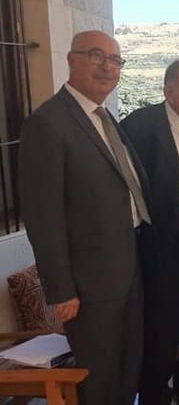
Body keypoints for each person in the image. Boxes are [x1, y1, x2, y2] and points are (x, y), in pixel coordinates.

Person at [20, 30, 151, 405]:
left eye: (115, 60)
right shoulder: (48, 123)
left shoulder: (104, 117)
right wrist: (61, 289)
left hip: (129, 267)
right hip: (90, 284)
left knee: (127, 369)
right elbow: (43, 214)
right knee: (98, 379)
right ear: (71, 60)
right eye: (97, 56)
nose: (107, 67)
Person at [121, 59, 179, 405]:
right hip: (162, 242)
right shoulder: (140, 126)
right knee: (162, 328)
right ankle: (155, 395)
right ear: (168, 91)